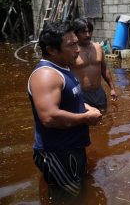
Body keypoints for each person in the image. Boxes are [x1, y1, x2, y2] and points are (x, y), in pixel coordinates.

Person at [28, 21, 102, 199]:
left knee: (81, 193)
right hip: (56, 152)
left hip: (73, 146)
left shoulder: (64, 68)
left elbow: (70, 97)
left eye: (76, 43)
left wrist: (86, 106)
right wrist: (86, 118)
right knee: (68, 199)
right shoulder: (46, 75)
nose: (77, 49)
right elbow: (49, 117)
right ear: (52, 50)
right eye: (71, 45)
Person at [71, 18, 117, 112]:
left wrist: (112, 88)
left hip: (98, 92)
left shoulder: (98, 47)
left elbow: (105, 70)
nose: (88, 35)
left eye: (89, 31)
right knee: (85, 121)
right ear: (75, 33)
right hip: (81, 94)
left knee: (104, 119)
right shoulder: (71, 51)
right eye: (83, 32)